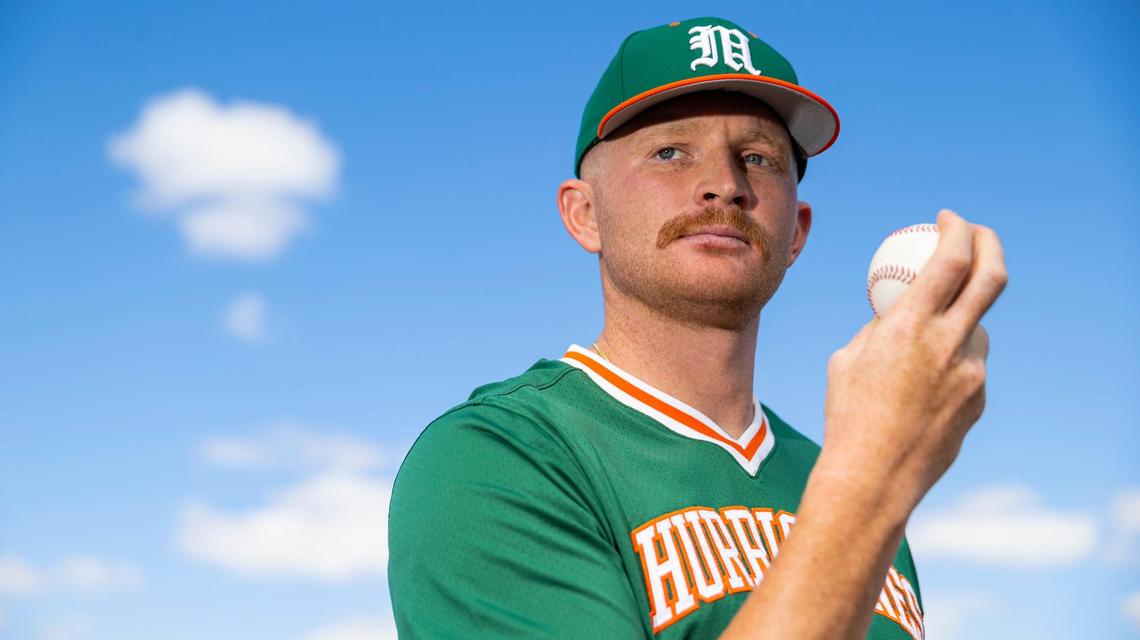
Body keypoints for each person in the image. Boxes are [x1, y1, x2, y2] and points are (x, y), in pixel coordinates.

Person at [388, 16, 1006, 639]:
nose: (725, 186)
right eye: (670, 152)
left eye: (758, 158)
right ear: (584, 214)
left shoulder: (838, 477)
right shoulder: (492, 457)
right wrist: (874, 477)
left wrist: (867, 479)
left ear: (797, 232)